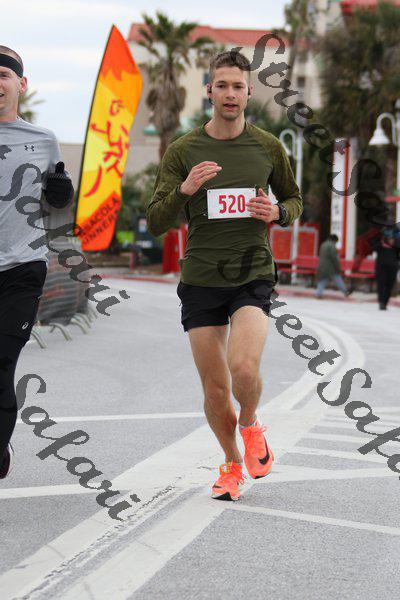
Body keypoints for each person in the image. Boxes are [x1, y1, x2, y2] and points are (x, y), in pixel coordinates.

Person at [147, 51, 303, 501]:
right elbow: (156, 221)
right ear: (209, 92)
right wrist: (185, 190)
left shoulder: (267, 147)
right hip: (201, 279)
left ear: (249, 93)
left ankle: (251, 423)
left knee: (243, 368)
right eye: (222, 86)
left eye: (238, 86)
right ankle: (232, 464)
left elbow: (294, 200)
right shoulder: (183, 150)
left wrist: (277, 212)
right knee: (216, 391)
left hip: (251, 274)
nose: (230, 94)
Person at [0, 46, 74, 479]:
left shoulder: (44, 140)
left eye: (3, 75)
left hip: (23, 266)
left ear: (21, 84)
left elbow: (58, 203)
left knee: (2, 363)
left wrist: (61, 192)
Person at [315, 234, 352, 299]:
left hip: (321, 266)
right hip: (330, 267)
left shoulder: (323, 244)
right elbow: (334, 258)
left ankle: (318, 293)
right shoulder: (332, 246)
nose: (336, 243)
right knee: (337, 279)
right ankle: (345, 291)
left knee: (322, 280)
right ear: (334, 240)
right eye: (336, 242)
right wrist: (338, 267)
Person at [372, 227, 400, 310]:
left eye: (393, 239)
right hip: (381, 268)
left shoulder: (396, 246)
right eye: (390, 239)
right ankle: (381, 302)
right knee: (381, 285)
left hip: (393, 268)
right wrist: (380, 240)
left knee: (389, 286)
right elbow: (373, 247)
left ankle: (385, 302)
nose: (391, 240)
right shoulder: (380, 245)